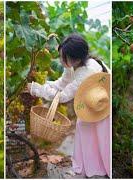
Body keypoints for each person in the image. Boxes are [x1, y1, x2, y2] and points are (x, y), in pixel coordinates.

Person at [27, 34, 110, 178]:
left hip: (101, 107)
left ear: (74, 58)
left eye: (62, 57)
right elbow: (61, 83)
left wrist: (38, 90)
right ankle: (90, 165)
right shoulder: (74, 65)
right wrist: (41, 84)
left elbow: (63, 95)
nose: (60, 60)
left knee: (98, 135)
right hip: (90, 105)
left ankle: (99, 166)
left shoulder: (87, 71)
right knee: (84, 129)